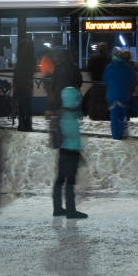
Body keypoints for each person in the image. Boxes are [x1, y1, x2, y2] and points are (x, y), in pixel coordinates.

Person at [53, 86, 87, 219]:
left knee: (60, 180)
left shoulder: (62, 113)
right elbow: (74, 136)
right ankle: (71, 210)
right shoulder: (69, 117)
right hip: (71, 152)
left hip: (62, 152)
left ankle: (57, 208)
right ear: (73, 100)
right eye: (77, 100)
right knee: (70, 181)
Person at [103, 50, 136, 140]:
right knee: (122, 117)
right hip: (124, 95)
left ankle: (116, 137)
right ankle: (122, 133)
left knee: (114, 118)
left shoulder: (109, 67)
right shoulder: (128, 68)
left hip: (112, 96)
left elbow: (105, 81)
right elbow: (133, 82)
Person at [14, 40, 35, 131]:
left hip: (19, 84)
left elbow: (16, 73)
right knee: (27, 105)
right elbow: (31, 72)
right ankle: (28, 125)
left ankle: (21, 125)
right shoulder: (31, 59)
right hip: (27, 85)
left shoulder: (20, 60)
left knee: (21, 106)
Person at [86, 43, 111, 120]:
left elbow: (88, 70)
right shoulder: (110, 58)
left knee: (95, 101)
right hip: (106, 84)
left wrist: (92, 80)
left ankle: (95, 116)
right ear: (106, 49)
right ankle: (105, 116)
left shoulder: (92, 58)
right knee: (105, 102)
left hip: (96, 83)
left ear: (98, 49)